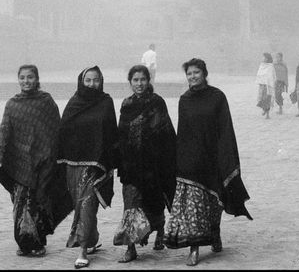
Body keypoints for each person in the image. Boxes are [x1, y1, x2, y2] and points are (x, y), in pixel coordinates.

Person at [164, 58, 252, 266]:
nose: (192, 77)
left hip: (212, 157)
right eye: (189, 74)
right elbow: (183, 132)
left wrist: (225, 156)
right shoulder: (184, 99)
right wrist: (180, 159)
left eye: (196, 72)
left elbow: (225, 128)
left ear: (204, 74)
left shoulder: (217, 97)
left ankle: (215, 233)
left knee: (213, 202)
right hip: (190, 159)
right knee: (193, 205)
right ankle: (194, 248)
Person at [0, 64, 72, 257]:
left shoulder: (46, 101)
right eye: (22, 77)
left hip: (44, 160)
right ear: (18, 79)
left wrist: (57, 157)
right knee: (22, 203)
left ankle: (37, 242)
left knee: (39, 200)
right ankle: (24, 242)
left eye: (30, 77)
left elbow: (56, 130)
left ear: (37, 79)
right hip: (19, 162)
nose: (26, 81)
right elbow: (5, 131)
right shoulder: (12, 104)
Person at [113, 65, 176, 263]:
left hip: (153, 164)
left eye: (143, 80)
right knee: (131, 205)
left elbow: (165, 132)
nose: (139, 84)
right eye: (135, 80)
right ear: (130, 82)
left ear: (148, 81)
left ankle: (159, 232)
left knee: (154, 202)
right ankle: (131, 247)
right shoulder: (126, 104)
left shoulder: (157, 102)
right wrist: (121, 161)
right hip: (131, 165)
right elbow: (121, 134)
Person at [58, 66, 119, 269]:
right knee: (81, 206)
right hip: (73, 165)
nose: (92, 84)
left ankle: (83, 249)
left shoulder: (106, 101)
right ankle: (91, 239)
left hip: (96, 165)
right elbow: (64, 130)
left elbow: (111, 132)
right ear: (81, 81)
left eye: (96, 80)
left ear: (101, 81)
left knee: (86, 205)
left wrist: (110, 159)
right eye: (88, 80)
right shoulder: (74, 103)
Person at [255, 52, 276, 119]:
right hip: (262, 86)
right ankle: (264, 109)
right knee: (262, 99)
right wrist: (261, 81)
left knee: (267, 99)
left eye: (264, 57)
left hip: (268, 86)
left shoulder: (270, 66)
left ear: (267, 58)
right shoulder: (261, 66)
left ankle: (267, 114)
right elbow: (259, 75)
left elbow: (271, 76)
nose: (262, 58)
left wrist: (269, 82)